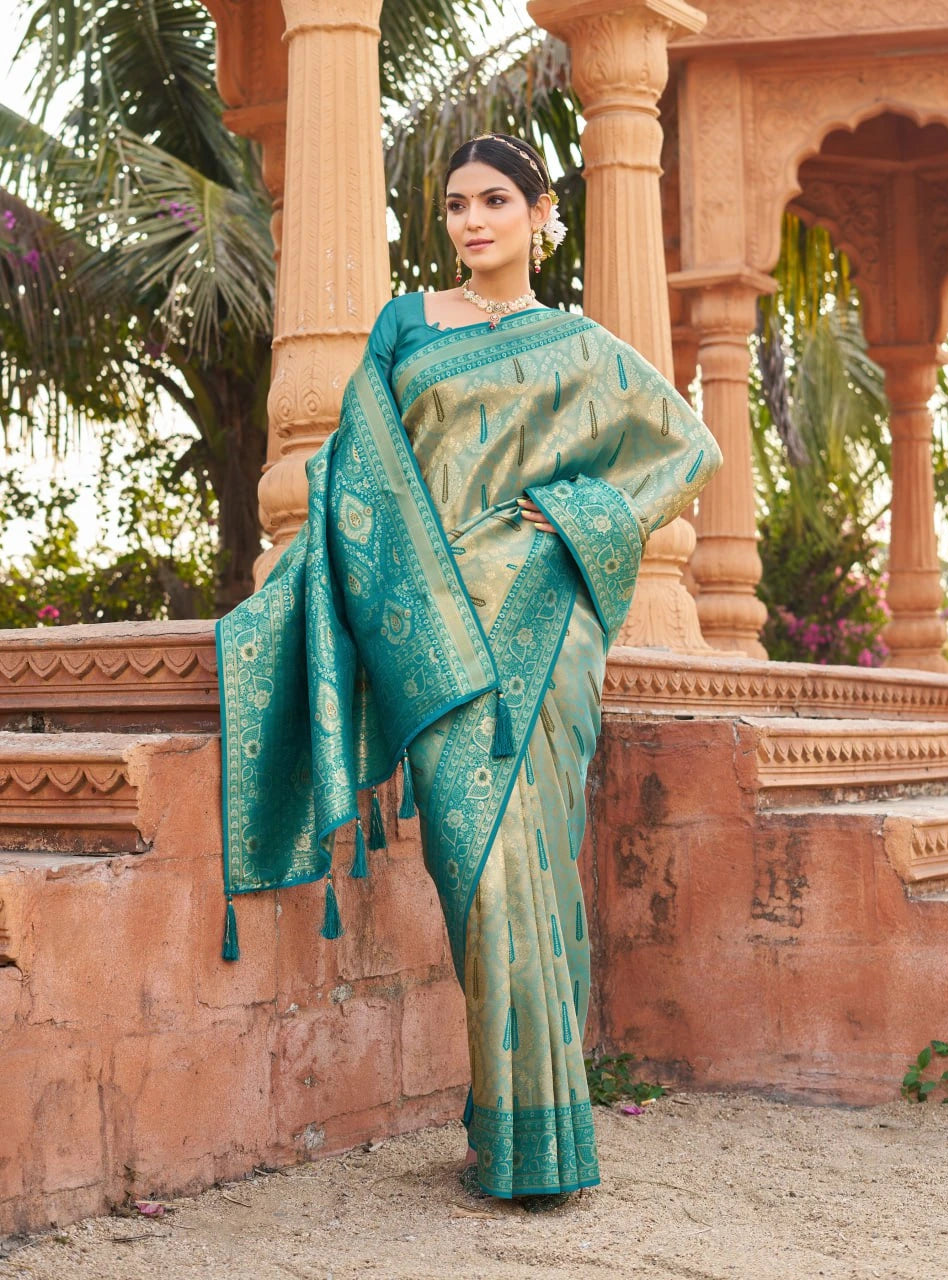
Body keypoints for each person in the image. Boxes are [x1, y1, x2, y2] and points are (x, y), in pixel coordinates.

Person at [216, 132, 722, 1207]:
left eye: (495, 200)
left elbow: (689, 451)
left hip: (543, 630)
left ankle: (535, 1139)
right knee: (478, 877)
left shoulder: (581, 345)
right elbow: (355, 476)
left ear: (542, 215)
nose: (473, 220)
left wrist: (579, 514)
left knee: (537, 870)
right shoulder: (406, 325)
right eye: (456, 205)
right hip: (431, 639)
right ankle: (516, 1120)